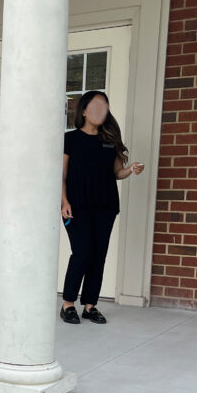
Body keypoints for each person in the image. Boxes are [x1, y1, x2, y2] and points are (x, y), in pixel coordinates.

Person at [60, 90, 144, 325]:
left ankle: (90, 306)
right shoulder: (70, 139)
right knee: (82, 253)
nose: (100, 111)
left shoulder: (110, 140)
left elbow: (117, 172)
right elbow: (61, 175)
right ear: (84, 110)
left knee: (98, 256)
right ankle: (68, 304)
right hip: (77, 206)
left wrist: (131, 170)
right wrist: (64, 202)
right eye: (95, 106)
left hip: (106, 206)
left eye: (104, 106)